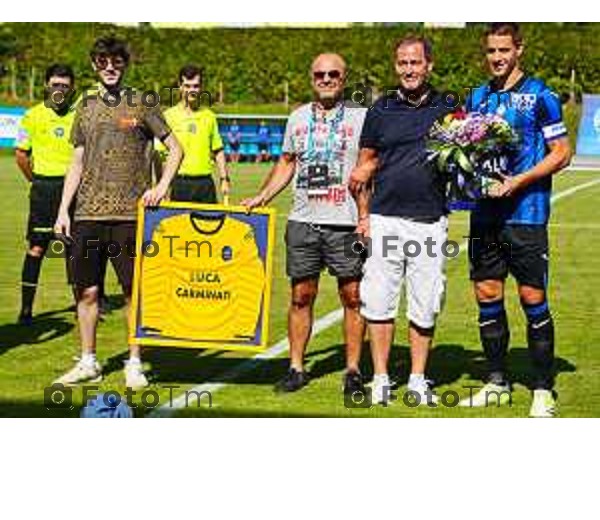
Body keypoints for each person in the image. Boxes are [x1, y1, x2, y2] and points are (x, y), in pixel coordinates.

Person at [53, 37, 183, 388]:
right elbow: (77, 159)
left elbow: (175, 149)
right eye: (102, 62)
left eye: (115, 62)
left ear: (125, 64)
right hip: (86, 215)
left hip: (131, 216)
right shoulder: (86, 105)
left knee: (133, 292)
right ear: (94, 65)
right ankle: (89, 361)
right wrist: (63, 209)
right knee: (87, 292)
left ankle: (135, 362)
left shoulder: (143, 101)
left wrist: (160, 187)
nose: (109, 68)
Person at [460, 23, 572, 417]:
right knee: (488, 295)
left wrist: (518, 181)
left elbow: (562, 152)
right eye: (491, 51)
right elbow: (467, 150)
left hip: (526, 215)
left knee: (531, 298)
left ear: (518, 49)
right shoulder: (478, 96)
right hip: (485, 215)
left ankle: (543, 389)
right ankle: (496, 383)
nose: (496, 58)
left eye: (504, 50)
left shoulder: (542, 96)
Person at [243, 53, 367, 395]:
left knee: (353, 296)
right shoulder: (297, 117)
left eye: (333, 74)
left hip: (347, 223)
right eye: (319, 74)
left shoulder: (362, 118)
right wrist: (262, 196)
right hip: (303, 222)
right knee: (301, 295)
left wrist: (368, 214)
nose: (326, 79)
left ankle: (353, 370)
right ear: (311, 78)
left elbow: (373, 163)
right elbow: (286, 162)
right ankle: (296, 367)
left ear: (344, 78)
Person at [349, 37, 449, 406]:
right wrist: (363, 217)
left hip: (428, 221)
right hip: (385, 220)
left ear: (429, 65)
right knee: (378, 302)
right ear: (396, 67)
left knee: (425, 302)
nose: (409, 69)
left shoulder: (449, 108)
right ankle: (380, 379)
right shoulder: (380, 109)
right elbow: (363, 167)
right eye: (403, 63)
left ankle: (418, 380)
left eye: (416, 62)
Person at [15, 64, 77, 325]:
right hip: (44, 190)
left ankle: (81, 303)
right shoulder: (32, 116)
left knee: (73, 248)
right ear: (46, 86)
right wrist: (37, 181)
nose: (59, 90)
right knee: (38, 247)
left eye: (64, 85)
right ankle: (26, 309)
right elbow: (21, 155)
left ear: (72, 88)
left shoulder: (78, 116)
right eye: (55, 85)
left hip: (73, 189)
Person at [159, 65, 230, 203]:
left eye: (196, 86)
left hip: (205, 184)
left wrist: (224, 179)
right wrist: (163, 185)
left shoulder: (209, 116)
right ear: (180, 86)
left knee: (209, 224)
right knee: (178, 225)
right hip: (179, 183)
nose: (192, 90)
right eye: (187, 86)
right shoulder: (168, 116)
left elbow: (218, 150)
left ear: (201, 87)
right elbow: (161, 155)